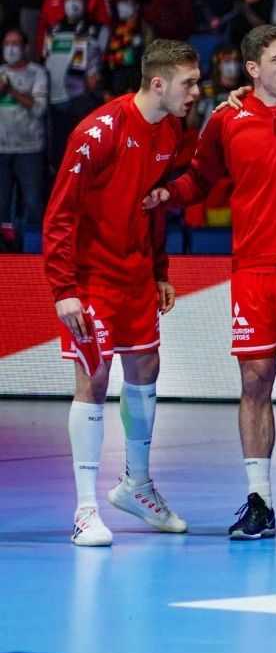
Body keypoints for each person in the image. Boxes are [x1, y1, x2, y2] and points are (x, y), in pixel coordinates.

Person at [148, 25, 276, 541]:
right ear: (252, 70)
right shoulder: (226, 119)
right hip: (253, 268)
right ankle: (259, 500)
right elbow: (200, 178)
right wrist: (162, 196)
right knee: (255, 382)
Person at [42, 39, 200, 546]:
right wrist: (64, 289)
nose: (196, 92)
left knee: (146, 370)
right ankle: (86, 509)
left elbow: (151, 203)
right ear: (158, 83)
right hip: (90, 281)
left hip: (135, 279)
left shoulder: (171, 129)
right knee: (93, 377)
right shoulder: (98, 132)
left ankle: (136, 484)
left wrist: (158, 270)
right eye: (188, 84)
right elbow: (59, 214)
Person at [42, 0, 107, 161]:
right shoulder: (52, 30)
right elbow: (46, 59)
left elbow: (101, 62)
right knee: (58, 156)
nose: (73, 3)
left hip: (81, 100)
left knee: (83, 156)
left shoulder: (96, 29)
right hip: (54, 100)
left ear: (86, 2)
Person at [0, 29, 49, 229]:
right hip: (2, 150)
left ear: (25, 48)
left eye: (15, 44)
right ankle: (6, 249)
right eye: (7, 44)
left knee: (33, 203)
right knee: (1, 206)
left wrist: (10, 90)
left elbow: (39, 109)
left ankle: (34, 252)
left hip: (29, 149)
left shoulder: (37, 73)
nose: (10, 49)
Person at [105, 0, 155, 95]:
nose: (122, 6)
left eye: (126, 1)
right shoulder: (113, 29)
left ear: (136, 4)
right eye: (120, 2)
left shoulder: (144, 29)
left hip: (137, 85)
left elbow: (150, 60)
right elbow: (107, 59)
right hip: (116, 84)